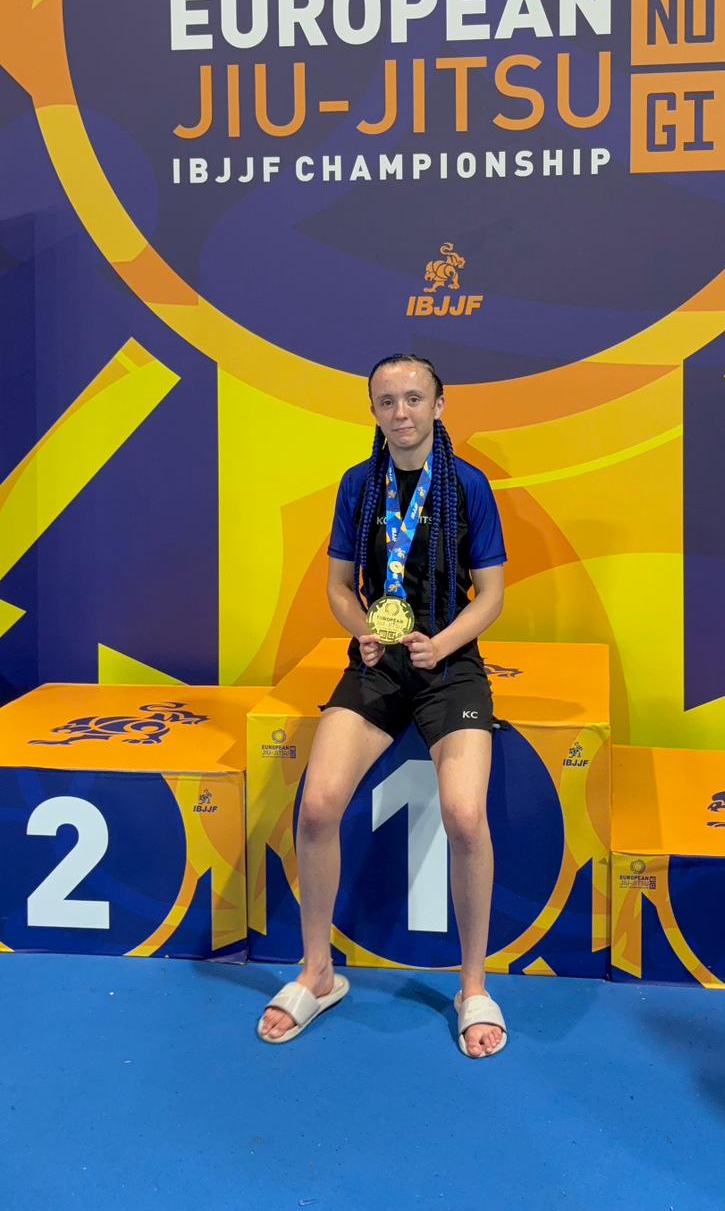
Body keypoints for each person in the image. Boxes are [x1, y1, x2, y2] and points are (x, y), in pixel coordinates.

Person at [257, 353, 508, 1057]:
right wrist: (362, 629)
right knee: (316, 805)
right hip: (377, 663)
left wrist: (444, 643)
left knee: (465, 815)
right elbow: (341, 587)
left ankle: (473, 986)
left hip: (450, 666)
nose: (401, 412)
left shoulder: (469, 486)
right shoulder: (358, 485)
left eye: (414, 398)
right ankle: (317, 971)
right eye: (387, 401)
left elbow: (491, 594)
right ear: (372, 410)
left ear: (439, 405)